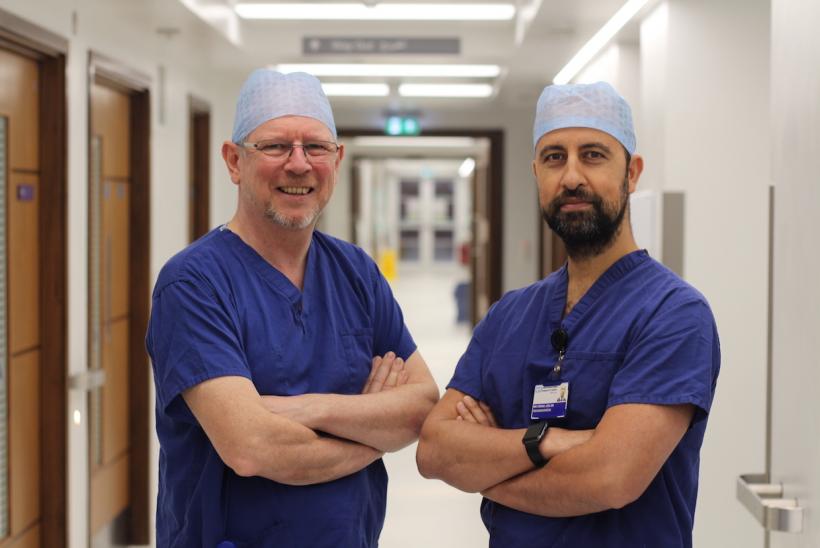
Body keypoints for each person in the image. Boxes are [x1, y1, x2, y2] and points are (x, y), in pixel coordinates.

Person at [416, 81, 720, 547]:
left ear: (632, 173)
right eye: (555, 157)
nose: (572, 176)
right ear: (537, 172)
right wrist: (549, 441)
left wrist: (488, 470)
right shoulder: (509, 315)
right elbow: (435, 450)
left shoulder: (674, 314)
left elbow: (609, 478)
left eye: (593, 155)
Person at [146, 69, 439, 548]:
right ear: (234, 161)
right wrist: (372, 426)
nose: (299, 164)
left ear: (337, 160)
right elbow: (251, 447)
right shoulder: (193, 284)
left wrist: (306, 409)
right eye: (276, 146)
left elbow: (424, 405)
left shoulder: (355, 272)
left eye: (316, 147)